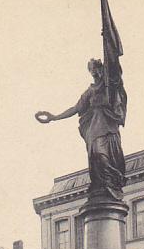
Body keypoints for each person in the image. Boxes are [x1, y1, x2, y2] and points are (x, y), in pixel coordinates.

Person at [35, 58, 126, 200]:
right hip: (95, 128)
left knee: (104, 156)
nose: (94, 71)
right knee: (96, 154)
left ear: (101, 69)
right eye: (91, 69)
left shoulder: (108, 85)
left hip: (108, 126)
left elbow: (115, 73)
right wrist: (55, 117)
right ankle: (103, 185)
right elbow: (75, 108)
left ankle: (110, 183)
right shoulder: (90, 92)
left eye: (96, 68)